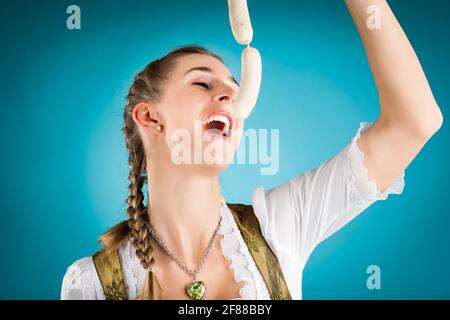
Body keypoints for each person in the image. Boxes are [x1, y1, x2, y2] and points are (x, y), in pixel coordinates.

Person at [61, 0, 443, 300]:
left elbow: (413, 123)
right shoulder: (92, 283)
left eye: (232, 85)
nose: (230, 95)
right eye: (201, 84)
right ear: (151, 117)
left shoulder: (281, 227)